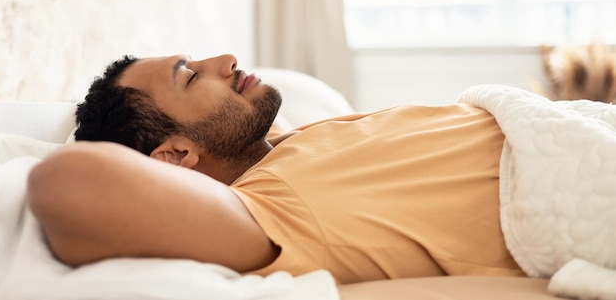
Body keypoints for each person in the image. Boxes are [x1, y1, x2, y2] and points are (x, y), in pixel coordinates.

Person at [27, 53, 527, 284]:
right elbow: (66, 184)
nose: (225, 60)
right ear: (176, 156)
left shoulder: (289, 143)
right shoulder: (270, 209)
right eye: (191, 76)